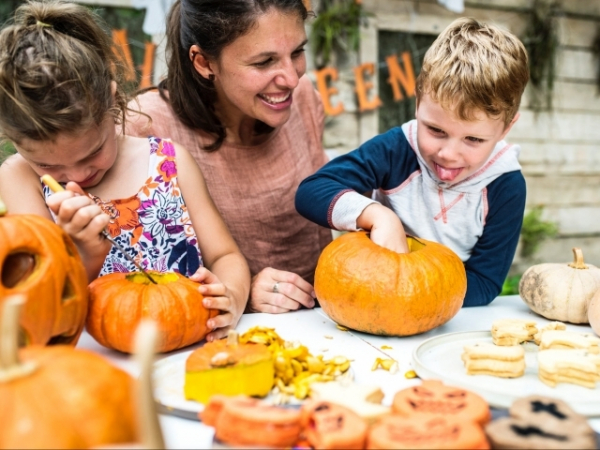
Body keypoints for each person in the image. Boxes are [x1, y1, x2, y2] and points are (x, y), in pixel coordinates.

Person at [0, 0, 250, 341]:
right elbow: (42, 306)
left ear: (113, 103)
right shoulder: (19, 180)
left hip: (188, 348)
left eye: (94, 151)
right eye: (48, 165)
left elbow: (225, 255)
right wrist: (83, 252)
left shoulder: (168, 162)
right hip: (91, 365)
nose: (75, 176)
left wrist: (231, 297)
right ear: (14, 142)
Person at [296, 17, 529, 307]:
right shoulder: (397, 149)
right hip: (372, 297)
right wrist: (379, 216)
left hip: (443, 317)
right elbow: (312, 191)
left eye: (473, 140)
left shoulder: (506, 185)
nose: (448, 154)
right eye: (436, 130)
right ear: (418, 104)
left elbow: (485, 282)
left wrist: (411, 294)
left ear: (506, 128)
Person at [126, 0, 332, 314]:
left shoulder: (303, 98)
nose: (291, 78)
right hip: (217, 336)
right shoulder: (145, 128)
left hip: (326, 322)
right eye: (264, 62)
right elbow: (131, 280)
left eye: (297, 52)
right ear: (204, 62)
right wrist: (239, 294)